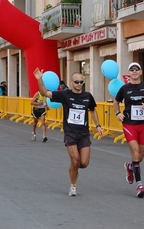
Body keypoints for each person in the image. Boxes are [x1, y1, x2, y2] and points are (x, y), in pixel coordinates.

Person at [33, 68, 103, 196]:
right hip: (70, 132)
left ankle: (74, 169)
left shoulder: (88, 96)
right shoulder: (65, 94)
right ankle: (73, 186)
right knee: (75, 160)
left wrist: (98, 125)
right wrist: (40, 80)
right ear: (71, 82)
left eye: (81, 82)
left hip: (84, 133)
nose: (79, 84)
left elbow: (93, 110)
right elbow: (45, 92)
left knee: (84, 163)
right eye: (76, 82)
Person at [113, 62, 144, 198]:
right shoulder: (124, 88)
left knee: (140, 157)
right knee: (135, 152)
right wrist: (117, 113)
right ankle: (139, 186)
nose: (134, 71)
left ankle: (130, 167)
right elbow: (116, 101)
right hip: (129, 124)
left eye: (137, 69)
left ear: (141, 72)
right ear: (128, 73)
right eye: (132, 69)